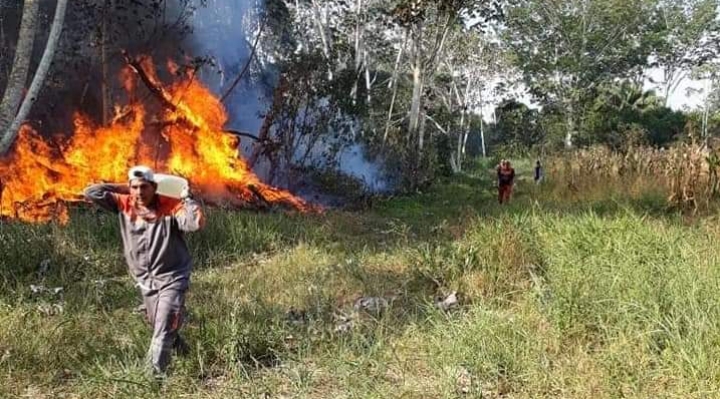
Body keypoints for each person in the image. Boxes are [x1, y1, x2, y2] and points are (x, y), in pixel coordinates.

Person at [84, 165, 205, 377]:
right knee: (157, 323)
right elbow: (92, 192)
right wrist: (128, 186)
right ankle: (184, 351)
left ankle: (152, 381)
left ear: (155, 188)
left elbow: (194, 223)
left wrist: (187, 199)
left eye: (145, 187)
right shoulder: (126, 203)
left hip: (173, 276)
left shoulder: (171, 205)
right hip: (148, 280)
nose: (140, 192)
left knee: (165, 323)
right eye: (136, 188)